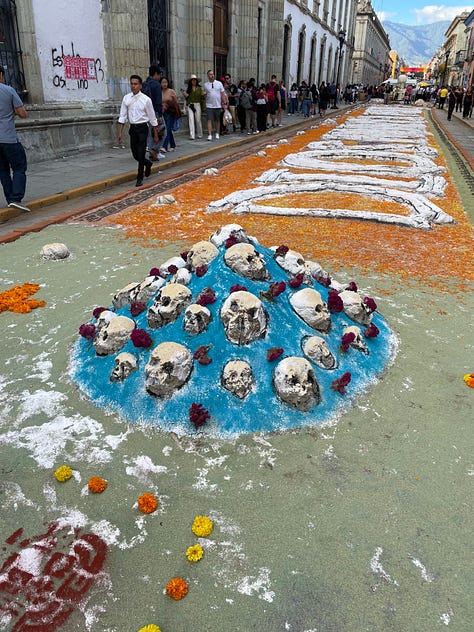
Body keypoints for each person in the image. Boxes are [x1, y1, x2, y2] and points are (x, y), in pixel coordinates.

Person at [118, 74, 158, 187]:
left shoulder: (146, 100)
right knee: (135, 154)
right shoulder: (126, 98)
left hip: (143, 128)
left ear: (140, 85)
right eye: (131, 84)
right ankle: (148, 163)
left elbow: (152, 118)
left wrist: (155, 134)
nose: (133, 86)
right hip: (133, 129)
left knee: (141, 153)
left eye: (135, 84)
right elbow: (122, 116)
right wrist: (120, 132)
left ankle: (140, 177)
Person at [0, 67, 29, 212]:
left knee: (3, 169)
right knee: (19, 167)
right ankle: (16, 198)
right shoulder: (8, 90)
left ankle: (10, 198)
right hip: (8, 138)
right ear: (1, 75)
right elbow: (22, 113)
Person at [141, 64, 163, 161]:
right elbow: (158, 101)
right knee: (162, 130)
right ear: (156, 74)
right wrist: (160, 115)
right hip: (154, 111)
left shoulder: (145, 84)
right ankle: (155, 149)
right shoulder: (156, 85)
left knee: (150, 132)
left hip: (145, 112)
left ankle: (151, 150)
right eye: (159, 75)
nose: (160, 77)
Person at [203, 69, 226, 140]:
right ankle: (210, 134)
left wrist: (224, 104)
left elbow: (222, 94)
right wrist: (203, 95)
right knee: (209, 119)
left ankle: (217, 133)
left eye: (213, 74)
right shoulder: (205, 85)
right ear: (208, 76)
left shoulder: (219, 83)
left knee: (217, 120)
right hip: (209, 105)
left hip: (218, 105)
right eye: (210, 74)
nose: (212, 75)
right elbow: (204, 94)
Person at [160, 77, 181, 153]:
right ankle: (173, 145)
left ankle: (164, 146)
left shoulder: (171, 91)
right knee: (168, 129)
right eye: (163, 82)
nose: (164, 84)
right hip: (164, 113)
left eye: (166, 82)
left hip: (171, 112)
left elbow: (176, 102)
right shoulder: (160, 92)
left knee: (168, 129)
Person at [183, 74, 204, 140]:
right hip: (190, 105)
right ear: (191, 81)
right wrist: (185, 96)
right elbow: (187, 99)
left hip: (197, 104)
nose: (194, 81)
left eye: (195, 80)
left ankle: (200, 134)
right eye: (192, 80)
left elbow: (202, 98)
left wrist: (203, 95)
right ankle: (192, 135)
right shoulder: (188, 89)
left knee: (198, 120)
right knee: (191, 120)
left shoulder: (200, 89)